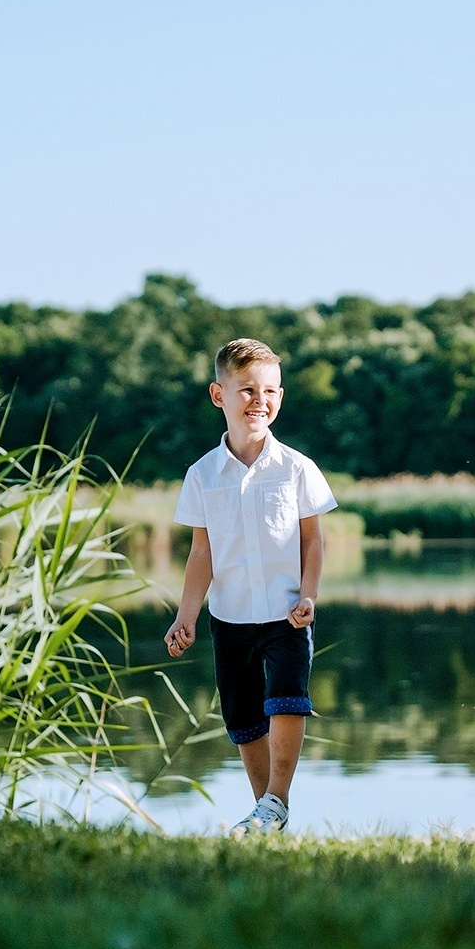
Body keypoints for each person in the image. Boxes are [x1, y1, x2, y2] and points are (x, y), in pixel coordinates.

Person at [165, 337, 338, 837]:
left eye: (271, 391)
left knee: (287, 696)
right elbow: (203, 553)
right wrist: (186, 615)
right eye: (247, 390)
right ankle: (267, 812)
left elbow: (313, 542)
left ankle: (277, 798)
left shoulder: (297, 468)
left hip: (287, 612)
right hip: (230, 616)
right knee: (243, 714)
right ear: (219, 395)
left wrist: (309, 595)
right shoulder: (202, 475)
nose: (260, 400)